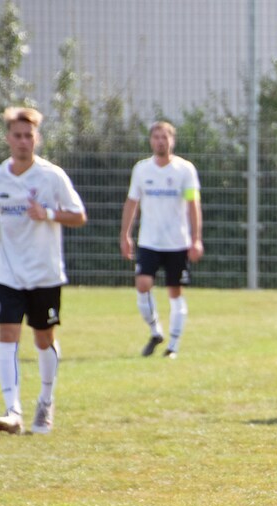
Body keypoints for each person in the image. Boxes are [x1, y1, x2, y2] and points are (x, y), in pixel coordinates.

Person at [0, 107, 88, 435]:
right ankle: (13, 411)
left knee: (43, 338)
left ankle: (46, 402)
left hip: (45, 273)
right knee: (7, 336)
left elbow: (78, 215)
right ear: (8, 138)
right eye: (17, 135)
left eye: (28, 135)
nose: (23, 141)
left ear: (36, 138)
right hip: (7, 272)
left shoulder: (51, 176)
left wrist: (49, 214)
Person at [120, 121, 204, 359]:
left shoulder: (184, 170)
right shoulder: (142, 170)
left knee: (174, 291)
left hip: (177, 242)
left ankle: (173, 347)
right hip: (149, 241)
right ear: (150, 141)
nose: (160, 141)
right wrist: (125, 234)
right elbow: (132, 203)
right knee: (143, 284)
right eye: (156, 137)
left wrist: (196, 239)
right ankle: (156, 331)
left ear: (172, 140)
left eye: (164, 137)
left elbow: (193, 204)